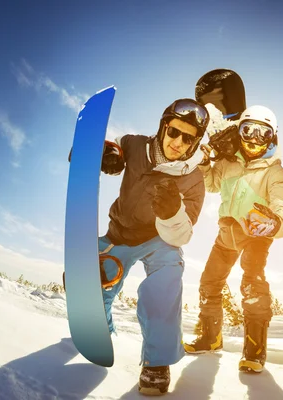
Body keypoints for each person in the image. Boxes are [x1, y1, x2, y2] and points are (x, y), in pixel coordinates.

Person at [70, 98, 209, 396]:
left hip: (160, 241)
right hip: (120, 232)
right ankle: (99, 326)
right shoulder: (136, 146)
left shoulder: (194, 179)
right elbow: (117, 145)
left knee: (165, 279)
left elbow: (183, 234)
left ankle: (157, 363)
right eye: (174, 132)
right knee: (101, 277)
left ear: (195, 142)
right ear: (163, 126)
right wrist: (106, 154)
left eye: (188, 138)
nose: (178, 142)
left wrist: (172, 213)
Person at [183, 105, 283, 373]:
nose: (255, 140)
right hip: (227, 232)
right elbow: (210, 183)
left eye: (263, 134)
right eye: (249, 131)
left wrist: (276, 222)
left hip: (257, 233)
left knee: (252, 283)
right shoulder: (228, 162)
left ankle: (255, 351)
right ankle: (211, 338)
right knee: (209, 282)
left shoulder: (274, 171)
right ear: (239, 132)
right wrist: (204, 162)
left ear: (272, 137)